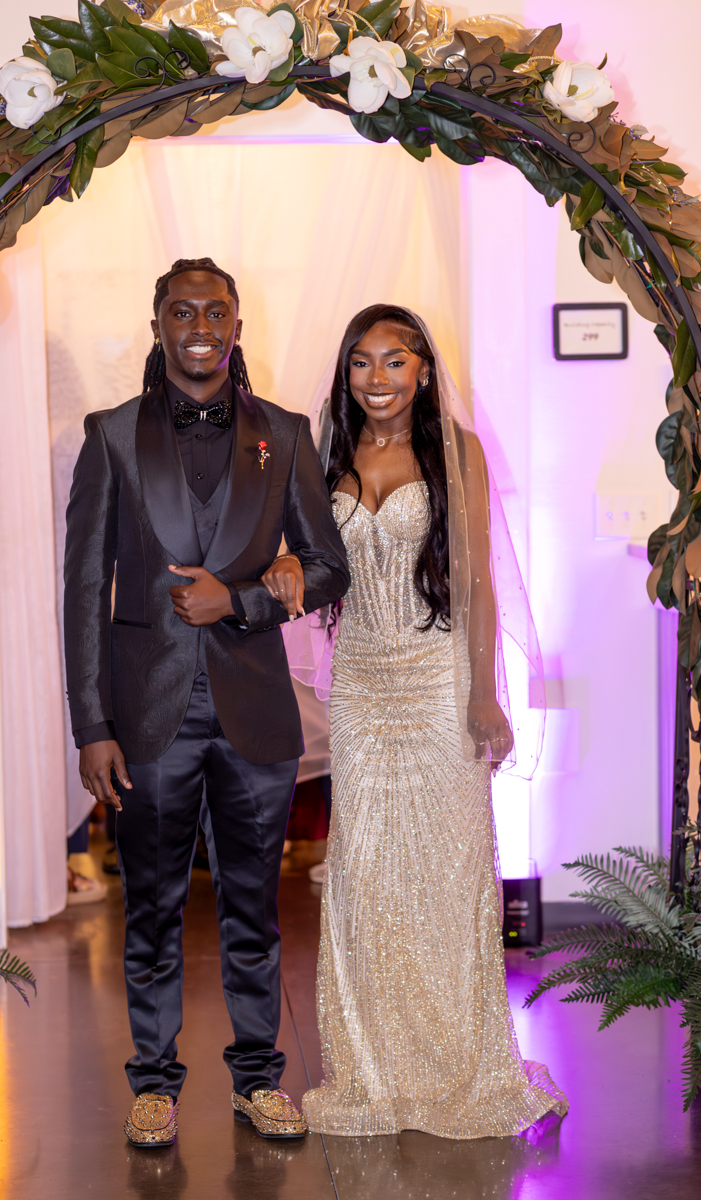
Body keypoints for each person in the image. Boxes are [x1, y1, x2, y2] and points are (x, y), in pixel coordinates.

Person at [63, 258, 349, 1148]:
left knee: (253, 911)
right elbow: (80, 590)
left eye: (215, 311)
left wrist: (247, 600)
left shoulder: (287, 435)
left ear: (236, 324)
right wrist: (90, 725)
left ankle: (258, 1080)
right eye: (181, 311)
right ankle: (153, 1083)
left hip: (255, 715)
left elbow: (329, 564)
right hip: (145, 722)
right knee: (147, 910)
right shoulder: (110, 435)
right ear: (157, 326)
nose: (199, 324)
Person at [282, 304, 567, 1138]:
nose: (378, 379)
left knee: (448, 875)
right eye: (362, 364)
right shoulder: (324, 455)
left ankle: (457, 1065)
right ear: (347, 374)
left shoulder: (457, 452)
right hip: (362, 688)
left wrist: (484, 693)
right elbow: (302, 552)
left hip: (439, 678)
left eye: (394, 362)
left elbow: (475, 580)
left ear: (422, 370)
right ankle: (373, 1070)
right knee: (366, 876)